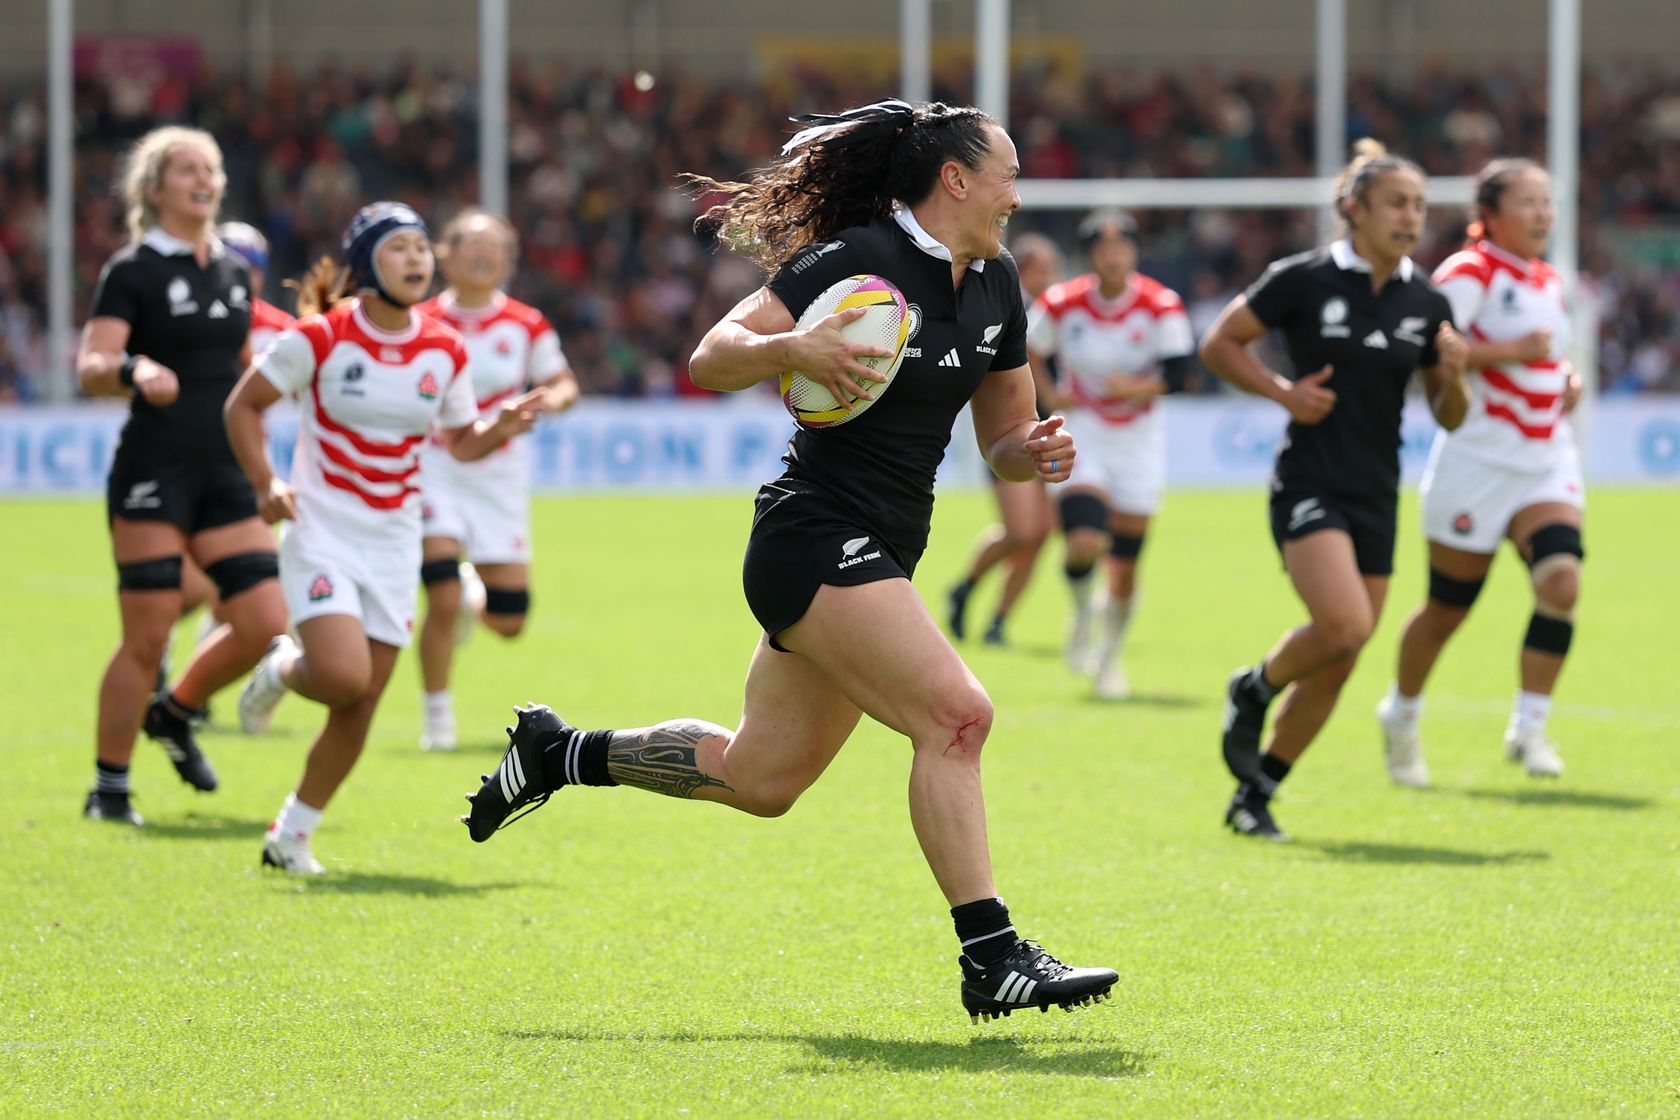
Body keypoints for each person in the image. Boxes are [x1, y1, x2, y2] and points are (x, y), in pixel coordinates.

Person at [458, 99, 1117, 1022]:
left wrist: (1032, 451)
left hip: (884, 548)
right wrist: (790, 346)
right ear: (957, 179)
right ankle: (992, 956)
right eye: (1008, 172)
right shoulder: (858, 258)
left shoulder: (1000, 282)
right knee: (958, 718)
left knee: (761, 779)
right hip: (810, 532)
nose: (1019, 192)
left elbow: (1003, 434)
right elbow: (712, 355)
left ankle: (561, 752)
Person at [225, 202, 542, 874]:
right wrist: (265, 483)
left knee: (361, 702)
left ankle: (293, 834)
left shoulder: (444, 348)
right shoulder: (322, 336)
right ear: (367, 262)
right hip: (322, 531)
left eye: (423, 247)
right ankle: (281, 667)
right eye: (399, 247)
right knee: (343, 676)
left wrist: (503, 424)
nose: (417, 259)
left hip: (395, 541)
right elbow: (243, 405)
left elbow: (457, 441)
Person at [1198, 140, 1471, 841]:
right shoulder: (1303, 278)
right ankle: (1253, 686)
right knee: (1346, 625)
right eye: (1397, 204)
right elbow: (1220, 344)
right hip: (1310, 479)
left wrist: (1455, 374)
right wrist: (1283, 392)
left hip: (1378, 489)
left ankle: (1258, 791)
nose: (1412, 217)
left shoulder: (1427, 299)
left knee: (1341, 657)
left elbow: (1450, 415)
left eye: (1419, 205)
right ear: (1355, 210)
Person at [77, 126, 288, 826]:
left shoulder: (232, 271)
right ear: (156, 188)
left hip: (225, 471)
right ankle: (109, 788)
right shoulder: (131, 270)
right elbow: (92, 365)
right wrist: (135, 369)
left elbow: (245, 370)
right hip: (154, 468)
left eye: (213, 168)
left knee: (264, 623)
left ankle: (174, 713)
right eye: (188, 169)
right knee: (149, 633)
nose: (205, 178)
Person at [1378, 159, 1584, 783]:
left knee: (1561, 585)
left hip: (1544, 458)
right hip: (1476, 463)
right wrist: (1510, 353)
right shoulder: (1468, 273)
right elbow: (1430, 354)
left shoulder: (1548, 278)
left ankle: (1530, 728)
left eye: (1547, 202)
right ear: (1489, 215)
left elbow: (1547, 356)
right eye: (1528, 202)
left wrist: (1563, 379)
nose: (1543, 214)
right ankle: (1402, 716)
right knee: (1447, 610)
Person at [412, 209, 579, 751]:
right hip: (435, 465)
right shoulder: (421, 321)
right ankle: (437, 718)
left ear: (508, 260)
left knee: (508, 623)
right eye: (472, 247)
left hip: (499, 474)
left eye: (495, 249)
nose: (483, 256)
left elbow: (562, 383)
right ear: (447, 255)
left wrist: (547, 402)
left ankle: (470, 593)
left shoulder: (525, 324)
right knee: (437, 591)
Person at [1027, 210, 1194, 699]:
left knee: (1124, 566)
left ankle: (1108, 658)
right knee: (1082, 541)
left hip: (1138, 441)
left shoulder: (1160, 305)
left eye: (1123, 248)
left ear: (1135, 254)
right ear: (1091, 256)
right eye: (1104, 249)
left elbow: (1183, 375)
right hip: (1082, 432)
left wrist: (1142, 386)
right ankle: (1081, 612)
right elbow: (1027, 348)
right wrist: (1050, 394)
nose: (1115, 256)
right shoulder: (1063, 303)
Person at [945, 231, 1061, 646]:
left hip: (1051, 433)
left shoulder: (1058, 313)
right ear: (1022, 270)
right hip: (1014, 435)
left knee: (1042, 534)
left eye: (1051, 271)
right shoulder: (1008, 309)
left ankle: (998, 621)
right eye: (1040, 270)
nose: (1047, 278)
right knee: (1020, 531)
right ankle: (965, 587)